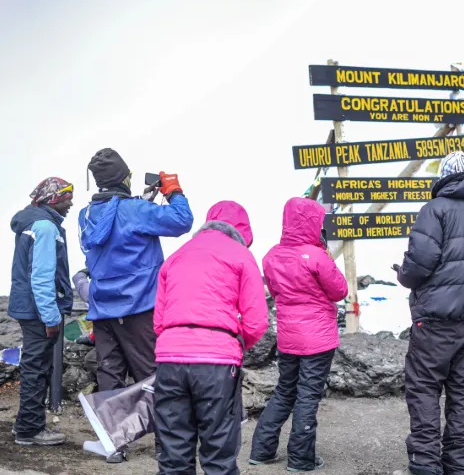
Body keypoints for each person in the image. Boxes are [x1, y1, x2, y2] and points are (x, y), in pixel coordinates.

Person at [392, 151, 464, 475]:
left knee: (424, 389)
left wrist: (404, 276)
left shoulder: (434, 209)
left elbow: (420, 262)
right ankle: (460, 466)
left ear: (443, 177)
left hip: (435, 320)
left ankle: (427, 465)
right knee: (462, 394)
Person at [78, 148, 193, 462]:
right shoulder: (135, 210)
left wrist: (142, 203)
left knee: (109, 373)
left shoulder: (85, 215)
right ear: (124, 177)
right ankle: (165, 445)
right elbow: (182, 221)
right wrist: (173, 190)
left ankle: (114, 444)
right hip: (140, 305)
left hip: (102, 308)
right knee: (152, 374)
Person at [153, 200, 269, 474]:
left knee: (173, 450)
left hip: (170, 359)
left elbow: (159, 321)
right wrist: (236, 346)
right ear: (243, 232)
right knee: (218, 449)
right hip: (216, 362)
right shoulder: (241, 255)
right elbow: (256, 320)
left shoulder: (177, 256)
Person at [250, 197, 348, 472]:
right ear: (312, 223)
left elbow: (275, 290)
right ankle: (301, 458)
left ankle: (261, 449)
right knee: (307, 395)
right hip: (317, 338)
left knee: (284, 390)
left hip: (288, 336)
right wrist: (324, 254)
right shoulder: (315, 256)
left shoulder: (271, 256)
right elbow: (340, 290)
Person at [9, 177, 74, 446]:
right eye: (67, 197)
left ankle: (26, 423)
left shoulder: (32, 224)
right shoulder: (46, 227)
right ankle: (29, 429)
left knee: (33, 365)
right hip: (39, 312)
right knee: (36, 368)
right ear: (53, 198)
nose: (71, 203)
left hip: (27, 307)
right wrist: (51, 317)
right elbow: (42, 276)